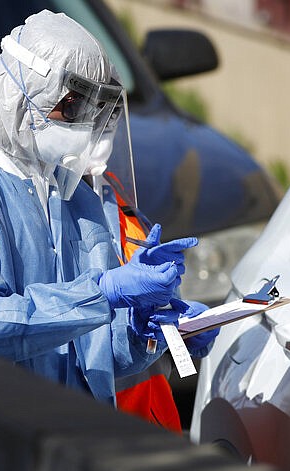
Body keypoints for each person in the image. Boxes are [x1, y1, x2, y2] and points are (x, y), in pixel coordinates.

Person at [0, 10, 203, 406]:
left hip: (73, 439)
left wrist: (145, 331)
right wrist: (101, 293)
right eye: (72, 106)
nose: (83, 125)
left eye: (96, 111)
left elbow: (90, 359)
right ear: (19, 89)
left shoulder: (71, 195)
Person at [86, 85, 220, 430]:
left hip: (153, 419)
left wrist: (181, 331)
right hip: (93, 428)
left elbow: (148, 316)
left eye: (107, 114)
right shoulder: (41, 207)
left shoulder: (111, 190)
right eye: (85, 109)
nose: (99, 125)